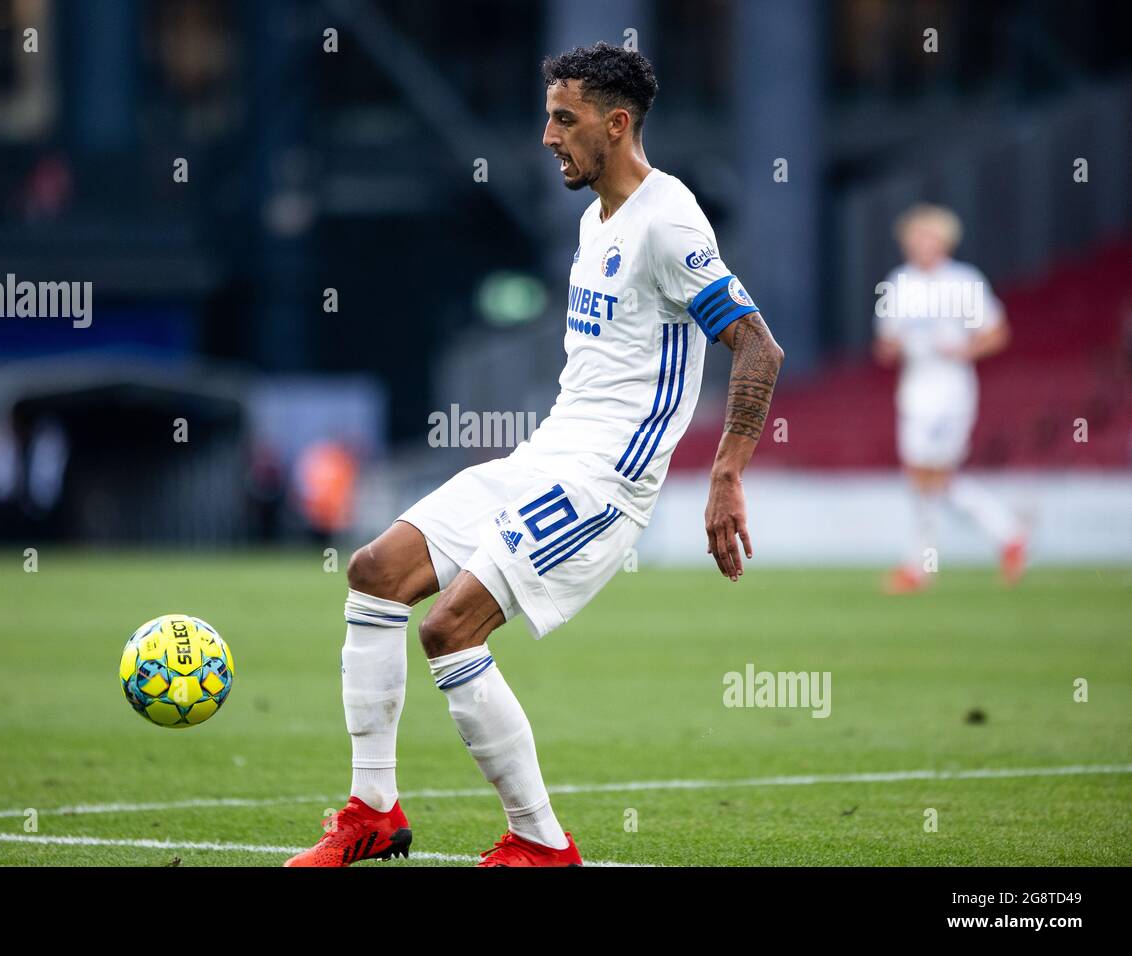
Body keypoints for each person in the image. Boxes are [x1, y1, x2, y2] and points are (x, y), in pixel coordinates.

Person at [287, 42, 784, 867]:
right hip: (543, 457)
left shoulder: (668, 221)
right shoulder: (596, 220)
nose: (547, 135)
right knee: (375, 573)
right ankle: (372, 813)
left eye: (565, 118)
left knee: (450, 630)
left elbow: (758, 348)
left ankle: (542, 845)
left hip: (602, 485)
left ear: (616, 124)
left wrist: (726, 475)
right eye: (548, 115)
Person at [873, 203, 1027, 593]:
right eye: (914, 238)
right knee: (923, 478)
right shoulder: (899, 283)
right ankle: (1005, 533)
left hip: (952, 390)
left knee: (933, 477)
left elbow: (997, 332)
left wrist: (962, 351)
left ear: (943, 241)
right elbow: (885, 345)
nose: (920, 245)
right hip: (914, 390)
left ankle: (922, 564)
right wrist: (894, 345)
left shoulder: (964, 282)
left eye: (928, 237)